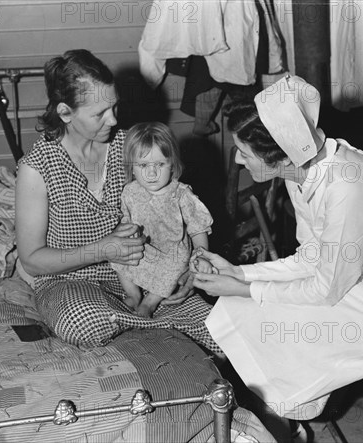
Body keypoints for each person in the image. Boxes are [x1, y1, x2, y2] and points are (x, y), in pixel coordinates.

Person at [192, 75, 363, 436]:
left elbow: (326, 288)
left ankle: (280, 425)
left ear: (278, 154)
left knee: (271, 324)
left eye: (245, 152)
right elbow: (311, 259)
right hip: (359, 286)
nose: (238, 158)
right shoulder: (304, 171)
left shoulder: (348, 187)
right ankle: (283, 422)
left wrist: (248, 289)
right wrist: (241, 275)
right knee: (241, 308)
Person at [15, 49, 220, 353]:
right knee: (82, 321)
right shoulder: (37, 167)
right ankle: (152, 332)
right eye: (99, 113)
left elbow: (180, 207)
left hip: (145, 275)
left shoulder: (129, 147)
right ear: (65, 112)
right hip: (71, 282)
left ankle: (141, 325)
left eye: (114, 107)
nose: (113, 119)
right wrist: (101, 249)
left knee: (218, 331)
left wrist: (191, 268)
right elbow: (31, 259)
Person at [111, 122, 214, 318]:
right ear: (131, 168)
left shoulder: (181, 194)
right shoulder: (130, 192)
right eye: (143, 165)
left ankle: (150, 303)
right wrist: (124, 238)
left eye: (159, 164)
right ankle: (133, 294)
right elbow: (126, 221)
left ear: (172, 165)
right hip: (143, 248)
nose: (152, 173)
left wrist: (202, 255)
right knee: (118, 257)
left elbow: (198, 228)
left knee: (176, 266)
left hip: (172, 253)